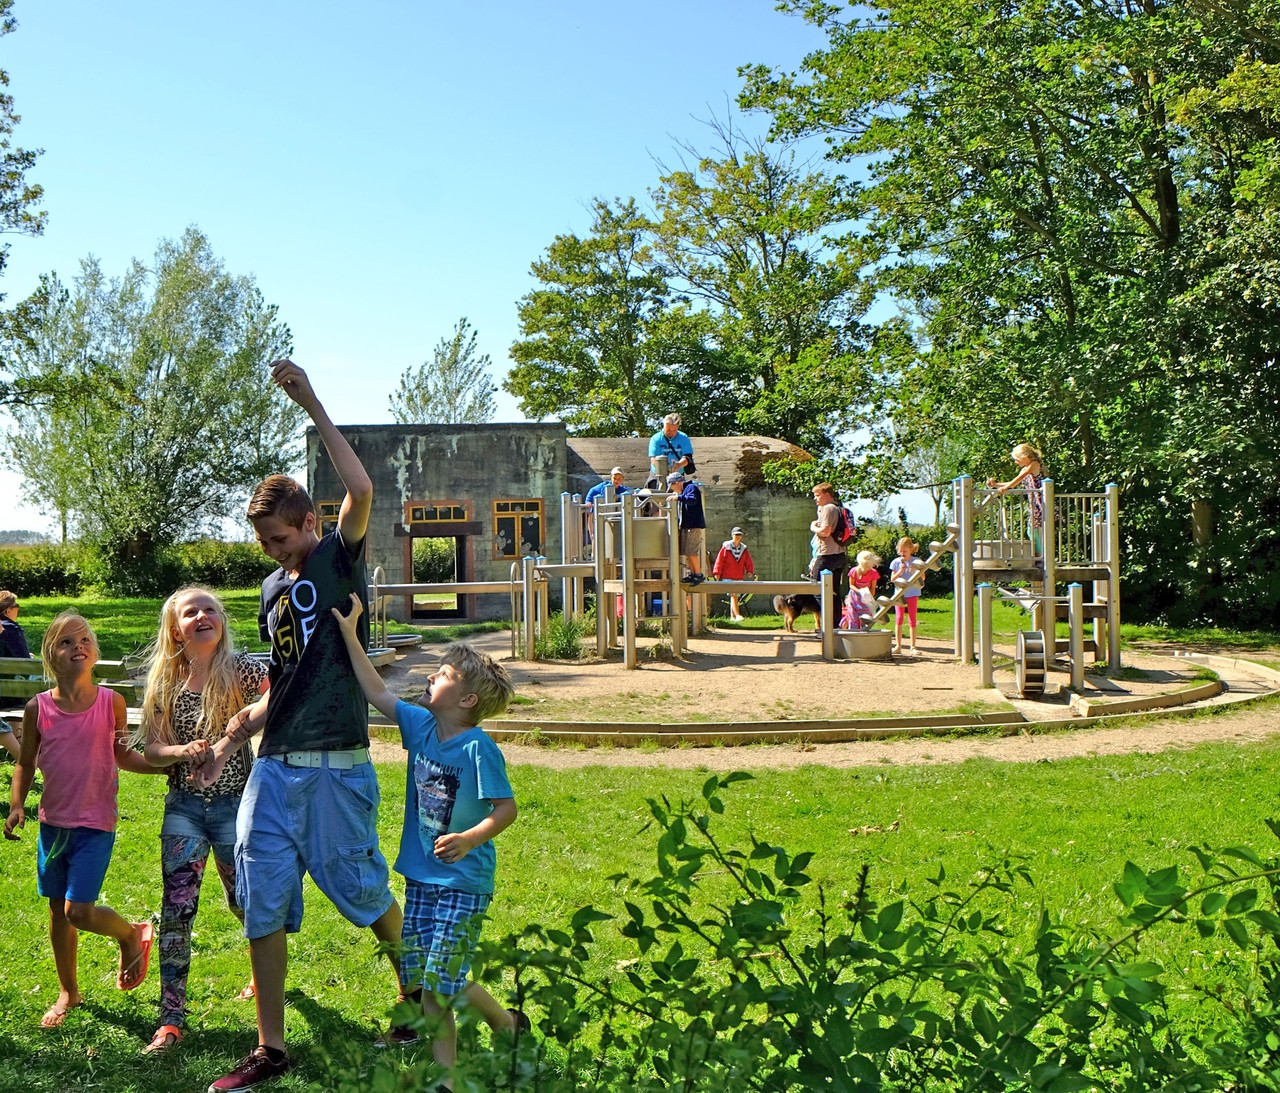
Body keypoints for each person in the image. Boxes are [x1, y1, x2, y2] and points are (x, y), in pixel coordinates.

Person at [200, 360, 405, 1093]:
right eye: (265, 544)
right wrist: (232, 735)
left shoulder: (336, 560)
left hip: (336, 765)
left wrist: (311, 402)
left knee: (364, 892)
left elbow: (363, 489)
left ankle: (420, 997)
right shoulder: (271, 588)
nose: (276, 553)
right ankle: (271, 1047)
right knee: (260, 892)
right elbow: (283, 680)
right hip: (274, 767)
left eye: (282, 539)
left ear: (310, 523)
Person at [332, 593, 524, 1080]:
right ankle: (474, 1050)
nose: (430, 677)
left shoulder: (478, 748)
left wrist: (471, 838)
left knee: (444, 982)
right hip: (421, 878)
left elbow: (506, 809)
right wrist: (351, 634)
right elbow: (377, 691)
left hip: (463, 882)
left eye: (442, 675)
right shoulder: (420, 726)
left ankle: (480, 1045)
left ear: (467, 700)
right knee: (429, 978)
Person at [3, 611, 158, 1028]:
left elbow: (123, 754)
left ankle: (130, 935)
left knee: (78, 911)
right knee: (58, 912)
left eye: (85, 639)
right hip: (53, 826)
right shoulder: (38, 708)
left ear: (95, 650)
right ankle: (69, 991)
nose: (78, 647)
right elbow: (25, 762)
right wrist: (17, 805)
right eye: (66, 642)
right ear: (49, 655)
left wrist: (162, 767)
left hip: (95, 824)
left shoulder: (111, 703)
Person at [133, 586, 270, 1056]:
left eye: (210, 609)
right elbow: (153, 750)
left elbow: (282, 692)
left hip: (237, 805)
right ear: (176, 629)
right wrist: (180, 750)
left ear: (222, 621)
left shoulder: (242, 669)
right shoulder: (164, 682)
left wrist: (236, 733)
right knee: (177, 912)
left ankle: (263, 976)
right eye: (191, 612)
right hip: (184, 810)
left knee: (244, 902)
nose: (203, 616)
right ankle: (171, 1019)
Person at [987, 443, 1045, 554]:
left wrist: (1005, 488)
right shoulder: (1025, 469)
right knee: (1031, 531)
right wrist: (996, 484)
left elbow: (1019, 479)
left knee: (1038, 531)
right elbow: (1014, 482)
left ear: (1025, 458)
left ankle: (1042, 556)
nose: (1015, 462)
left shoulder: (1034, 464)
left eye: (1017, 459)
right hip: (1034, 504)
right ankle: (1038, 555)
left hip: (1041, 502)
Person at [808, 483, 849, 598]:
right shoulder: (837, 508)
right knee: (834, 593)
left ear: (826, 495)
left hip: (826, 556)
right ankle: (835, 611)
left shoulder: (827, 509)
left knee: (817, 590)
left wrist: (812, 527)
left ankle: (822, 611)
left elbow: (825, 532)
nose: (815, 498)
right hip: (840, 555)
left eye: (817, 495)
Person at [668, 471, 707, 584]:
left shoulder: (691, 487)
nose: (674, 491)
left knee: (691, 552)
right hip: (686, 525)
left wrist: (678, 497)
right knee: (687, 552)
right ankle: (693, 574)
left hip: (693, 525)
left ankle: (698, 574)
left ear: (677, 483)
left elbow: (692, 500)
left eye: (672, 487)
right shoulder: (684, 491)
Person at [890, 537, 926, 655]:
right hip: (899, 594)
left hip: (913, 593)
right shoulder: (896, 562)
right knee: (899, 618)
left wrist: (914, 571)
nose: (902, 553)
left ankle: (913, 646)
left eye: (905, 551)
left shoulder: (917, 561)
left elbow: (923, 577)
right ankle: (898, 646)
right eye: (900, 551)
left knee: (912, 618)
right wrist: (900, 571)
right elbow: (893, 579)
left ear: (911, 549)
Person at [712, 528, 755, 621]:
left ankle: (732, 617)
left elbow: (748, 561)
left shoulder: (743, 549)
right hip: (727, 576)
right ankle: (738, 615)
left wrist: (750, 570)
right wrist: (717, 572)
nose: (738, 537)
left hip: (738, 576)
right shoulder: (726, 547)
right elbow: (720, 560)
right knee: (734, 594)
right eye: (736, 535)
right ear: (732, 535)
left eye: (740, 535)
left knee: (734, 596)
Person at [843, 550, 881, 630]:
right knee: (853, 618)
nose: (866, 569)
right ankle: (853, 632)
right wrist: (860, 591)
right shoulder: (854, 571)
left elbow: (873, 588)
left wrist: (869, 597)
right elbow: (851, 585)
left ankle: (865, 633)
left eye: (868, 567)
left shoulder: (873, 573)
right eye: (864, 567)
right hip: (854, 598)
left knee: (866, 619)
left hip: (866, 599)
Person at [648, 413, 694, 479]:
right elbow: (653, 459)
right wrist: (665, 470)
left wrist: (678, 465)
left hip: (677, 474)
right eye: (668, 430)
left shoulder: (683, 437)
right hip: (657, 474)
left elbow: (688, 457)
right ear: (664, 426)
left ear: (678, 427)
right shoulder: (656, 438)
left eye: (674, 430)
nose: (671, 432)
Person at [0, 590, 32, 659]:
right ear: (8, 611)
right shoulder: (12, 629)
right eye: (16, 605)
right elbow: (24, 659)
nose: (18, 609)